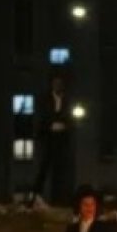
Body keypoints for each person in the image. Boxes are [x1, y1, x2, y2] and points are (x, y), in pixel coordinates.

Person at [34, 76, 72, 205]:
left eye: (60, 84)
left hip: (61, 138)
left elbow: (71, 119)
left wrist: (65, 126)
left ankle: (59, 199)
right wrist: (51, 126)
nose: (58, 86)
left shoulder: (67, 100)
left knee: (61, 169)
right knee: (44, 167)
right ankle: (36, 196)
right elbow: (41, 117)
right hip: (48, 138)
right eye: (55, 83)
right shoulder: (45, 99)